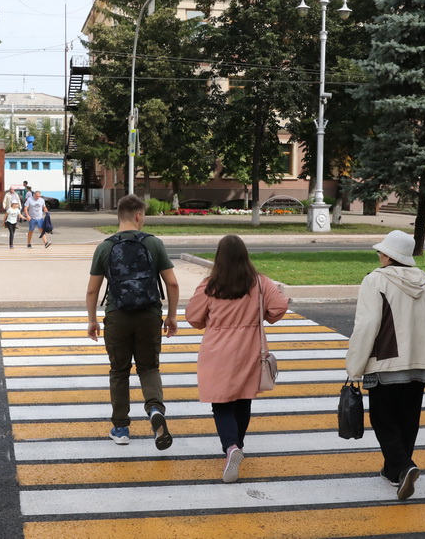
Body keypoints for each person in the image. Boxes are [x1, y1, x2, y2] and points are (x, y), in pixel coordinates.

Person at [346, 229, 425, 501]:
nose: (379, 255)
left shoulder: (375, 281)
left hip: (385, 363)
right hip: (421, 363)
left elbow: (367, 325)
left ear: (389, 256)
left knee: (382, 419)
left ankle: (404, 466)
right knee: (408, 419)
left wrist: (354, 366)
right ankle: (394, 472)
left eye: (381, 251)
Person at [185, 234, 289, 483]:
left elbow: (193, 318)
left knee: (220, 402)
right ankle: (237, 445)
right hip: (249, 349)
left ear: (218, 258)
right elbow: (278, 308)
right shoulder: (260, 282)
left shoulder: (210, 285)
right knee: (243, 399)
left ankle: (231, 447)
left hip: (217, 351)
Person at [86, 194, 180, 450]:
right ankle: (154, 410)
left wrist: (92, 320)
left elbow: (93, 290)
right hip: (149, 316)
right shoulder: (154, 244)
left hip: (118, 317)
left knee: (119, 371)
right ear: (139, 215)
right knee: (149, 368)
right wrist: (171, 315)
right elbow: (171, 282)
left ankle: (121, 428)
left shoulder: (104, 247)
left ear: (119, 215)